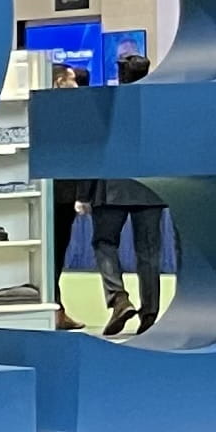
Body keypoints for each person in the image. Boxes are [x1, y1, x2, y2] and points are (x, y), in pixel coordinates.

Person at [79, 53, 171, 337]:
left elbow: (93, 151)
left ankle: (119, 298)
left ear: (120, 74)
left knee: (104, 243)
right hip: (153, 188)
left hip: (112, 187)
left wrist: (84, 193)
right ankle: (149, 314)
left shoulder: (106, 104)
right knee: (149, 252)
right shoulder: (161, 106)